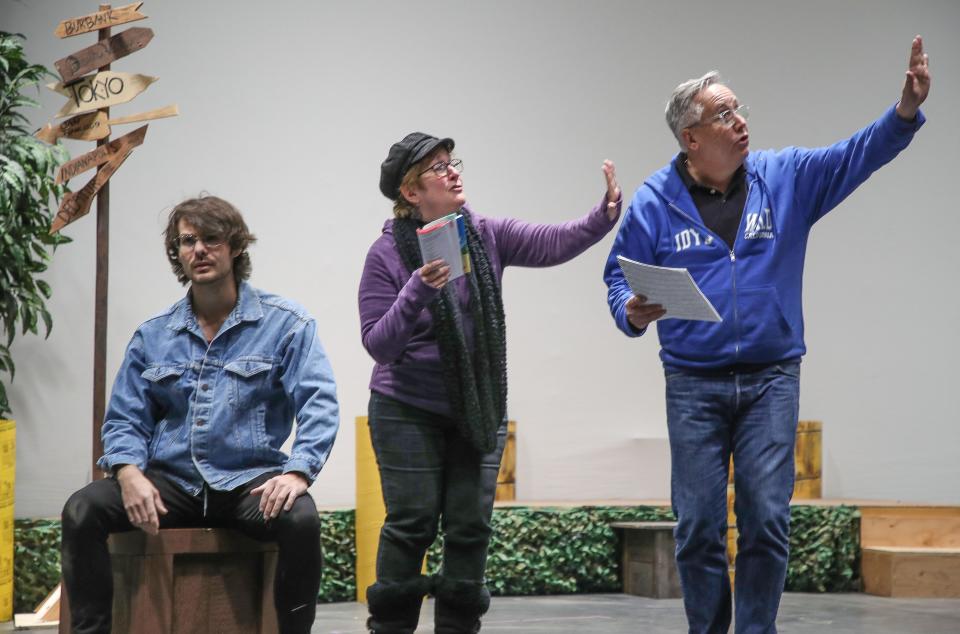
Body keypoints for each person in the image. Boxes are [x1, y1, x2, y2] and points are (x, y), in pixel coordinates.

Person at [603, 37, 930, 633]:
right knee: (698, 524)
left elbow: (856, 154)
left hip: (771, 380)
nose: (741, 121)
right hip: (692, 384)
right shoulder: (655, 201)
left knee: (766, 520)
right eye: (723, 114)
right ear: (692, 138)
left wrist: (903, 113)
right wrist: (631, 310)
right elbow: (617, 279)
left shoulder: (785, 178)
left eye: (739, 108)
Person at [359, 132, 621, 633]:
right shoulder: (386, 254)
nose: (453, 172)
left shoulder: (482, 234)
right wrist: (416, 290)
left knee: (469, 526)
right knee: (411, 524)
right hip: (405, 407)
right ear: (411, 193)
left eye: (451, 162)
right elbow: (379, 345)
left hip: (476, 405)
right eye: (438, 168)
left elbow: (553, 242)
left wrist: (602, 215)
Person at [60, 195, 340, 634]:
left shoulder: (287, 324)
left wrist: (298, 473)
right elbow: (123, 419)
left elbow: (319, 403)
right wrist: (128, 473)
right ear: (177, 252)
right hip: (171, 484)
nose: (199, 250)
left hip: (248, 482)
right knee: (82, 509)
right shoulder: (153, 335)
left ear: (235, 248)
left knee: (300, 519)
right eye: (188, 241)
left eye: (211, 239)